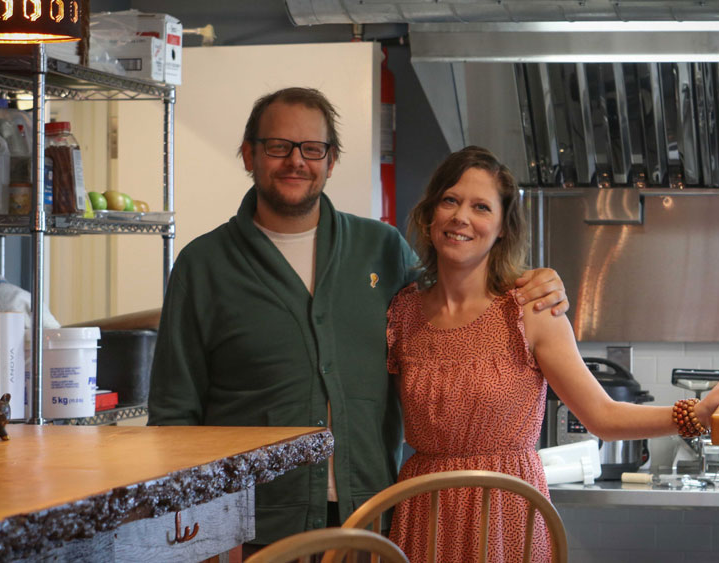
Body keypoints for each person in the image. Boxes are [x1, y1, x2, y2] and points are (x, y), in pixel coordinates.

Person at [146, 88, 570, 552]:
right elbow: (173, 416)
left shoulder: (381, 249)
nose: (296, 161)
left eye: (312, 149)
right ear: (249, 154)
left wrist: (530, 280)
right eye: (278, 146)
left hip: (371, 524)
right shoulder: (204, 265)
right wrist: (187, 539)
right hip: (252, 530)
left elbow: (459, 297)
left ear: (331, 161)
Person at [385, 146, 719, 561]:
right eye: (450, 200)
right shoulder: (402, 312)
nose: (461, 217)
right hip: (424, 513)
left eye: (481, 207)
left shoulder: (529, 310)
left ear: (503, 227)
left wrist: (695, 414)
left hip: (507, 513)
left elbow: (603, 416)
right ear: (430, 214)